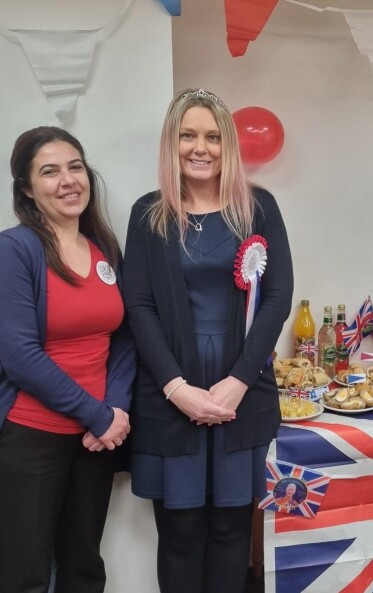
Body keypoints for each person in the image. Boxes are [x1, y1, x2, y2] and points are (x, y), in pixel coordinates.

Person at [123, 88, 293, 593]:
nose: (201, 148)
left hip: (242, 389)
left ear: (228, 144)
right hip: (169, 391)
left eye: (213, 137)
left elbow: (277, 296)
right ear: (171, 143)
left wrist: (240, 381)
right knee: (180, 530)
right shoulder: (147, 214)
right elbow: (139, 306)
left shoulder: (258, 207)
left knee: (230, 530)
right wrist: (176, 387)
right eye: (188, 135)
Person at [0, 127, 134, 593]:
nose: (67, 180)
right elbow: (18, 355)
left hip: (95, 440)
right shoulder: (15, 250)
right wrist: (96, 413)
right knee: (26, 576)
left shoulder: (104, 248)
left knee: (84, 568)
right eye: (49, 171)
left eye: (75, 167)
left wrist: (114, 411)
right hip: (31, 438)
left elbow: (123, 339)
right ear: (27, 189)